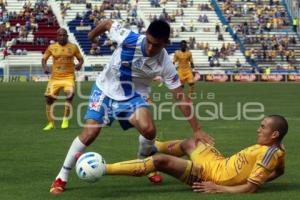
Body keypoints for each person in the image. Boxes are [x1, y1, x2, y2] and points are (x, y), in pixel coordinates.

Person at [49, 19, 213, 194]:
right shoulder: (127, 37)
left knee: (149, 130)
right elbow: (106, 23)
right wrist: (91, 35)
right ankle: (62, 175)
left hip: (134, 96)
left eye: (156, 45)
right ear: (145, 35)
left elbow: (180, 96)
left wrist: (197, 130)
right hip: (105, 89)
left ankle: (144, 161)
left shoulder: (165, 63)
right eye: (148, 41)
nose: (150, 48)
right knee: (90, 134)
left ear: (165, 43)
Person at [104, 115, 288, 193]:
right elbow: (280, 172)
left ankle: (103, 169)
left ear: (274, 134)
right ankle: (154, 145)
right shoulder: (277, 151)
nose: (258, 130)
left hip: (209, 175)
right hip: (218, 163)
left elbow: (251, 188)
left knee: (161, 161)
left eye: (262, 127)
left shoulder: (269, 154)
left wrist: (220, 188)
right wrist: (262, 178)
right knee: (194, 141)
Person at [42, 28, 84, 131]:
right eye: (60, 35)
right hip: (55, 78)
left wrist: (79, 64)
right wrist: (45, 67)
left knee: (69, 95)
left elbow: (81, 59)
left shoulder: (73, 47)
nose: (62, 37)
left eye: (64, 35)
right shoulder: (52, 47)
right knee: (48, 99)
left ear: (67, 36)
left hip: (68, 77)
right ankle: (51, 123)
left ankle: (65, 119)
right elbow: (44, 59)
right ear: (57, 36)